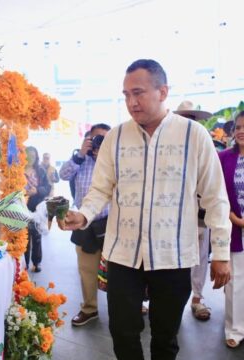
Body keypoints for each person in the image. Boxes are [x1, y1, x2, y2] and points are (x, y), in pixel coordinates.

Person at [60, 59, 231, 360]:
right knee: (123, 332)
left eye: (137, 92)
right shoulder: (116, 136)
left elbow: (215, 197)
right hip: (123, 255)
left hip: (173, 255)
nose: (131, 102)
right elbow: (101, 188)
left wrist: (221, 253)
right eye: (125, 94)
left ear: (162, 91)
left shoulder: (194, 136)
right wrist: (83, 215)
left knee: (165, 338)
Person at [59, 123, 111, 326]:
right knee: (86, 270)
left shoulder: (114, 161)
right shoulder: (80, 160)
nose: (100, 143)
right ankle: (89, 309)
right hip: (84, 224)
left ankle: (127, 305)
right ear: (88, 139)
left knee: (120, 270)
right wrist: (81, 154)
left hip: (111, 224)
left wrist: (103, 157)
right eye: (97, 138)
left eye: (105, 139)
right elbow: (63, 175)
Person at [174, 100, 213, 321]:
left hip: (200, 216)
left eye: (193, 119)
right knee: (174, 261)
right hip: (174, 218)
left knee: (199, 257)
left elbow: (213, 185)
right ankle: (172, 303)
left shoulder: (206, 146)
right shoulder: (168, 149)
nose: (189, 123)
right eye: (185, 118)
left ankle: (197, 299)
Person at [219, 110, 244, 348]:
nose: (241, 131)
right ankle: (235, 329)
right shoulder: (224, 157)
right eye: (238, 127)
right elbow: (215, 192)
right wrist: (232, 217)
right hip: (234, 228)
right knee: (235, 281)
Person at [24, 146, 51, 272]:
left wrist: (37, 191)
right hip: (21, 207)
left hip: (36, 208)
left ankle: (37, 262)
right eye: (27, 155)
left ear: (36, 157)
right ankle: (24, 264)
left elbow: (47, 188)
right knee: (23, 238)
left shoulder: (40, 170)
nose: (30, 158)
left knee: (36, 236)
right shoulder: (17, 170)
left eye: (33, 156)